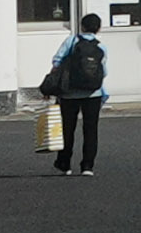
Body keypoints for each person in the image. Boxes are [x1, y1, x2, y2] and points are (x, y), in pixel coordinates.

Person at [44, 10, 111, 175]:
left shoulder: (72, 40)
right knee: (90, 129)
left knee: (67, 128)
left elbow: (57, 61)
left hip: (69, 93)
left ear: (82, 26)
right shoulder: (101, 46)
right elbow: (104, 71)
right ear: (98, 29)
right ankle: (87, 166)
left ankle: (64, 164)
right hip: (93, 93)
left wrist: (50, 86)